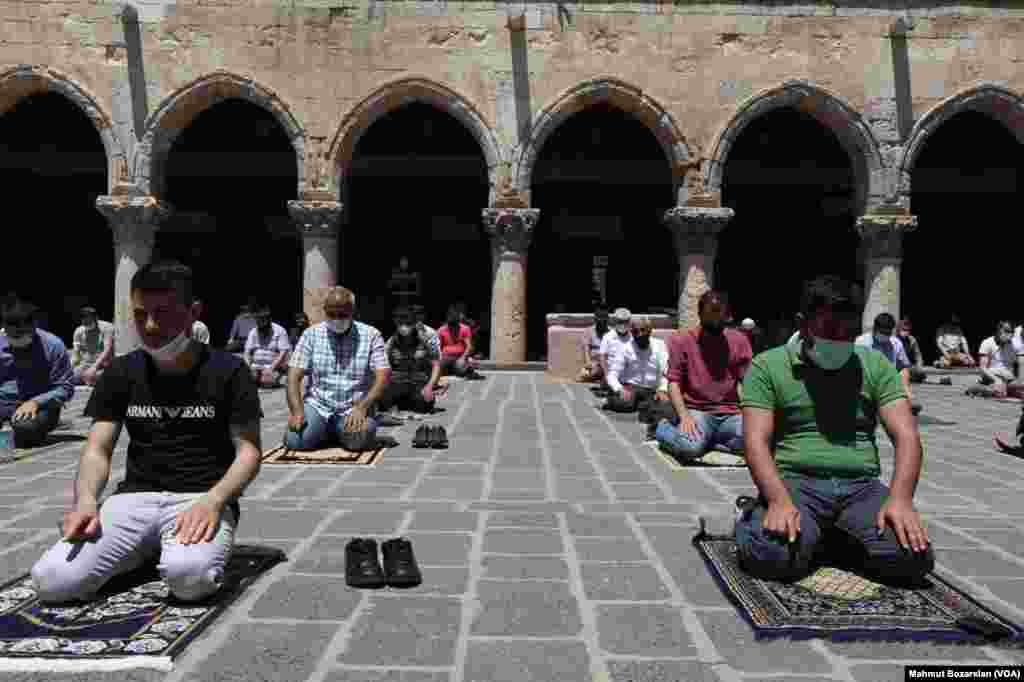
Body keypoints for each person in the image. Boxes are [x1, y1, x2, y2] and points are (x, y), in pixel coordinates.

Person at [30, 260, 263, 604]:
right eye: (140, 315)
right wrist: (86, 502)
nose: (151, 326)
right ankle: (145, 547)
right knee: (52, 582)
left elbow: (249, 451)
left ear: (193, 311)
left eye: (164, 313)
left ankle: (164, 549)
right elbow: (98, 448)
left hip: (200, 496)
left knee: (190, 580)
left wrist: (215, 501)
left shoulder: (228, 370)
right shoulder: (122, 371)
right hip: (133, 499)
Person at [735, 275, 933, 585]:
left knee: (912, 558)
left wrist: (901, 499)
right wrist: (777, 499)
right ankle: (749, 516)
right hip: (795, 483)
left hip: (861, 486)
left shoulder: (876, 366)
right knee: (773, 556)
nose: (840, 340)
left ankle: (829, 535)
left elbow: (907, 436)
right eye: (829, 330)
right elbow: (755, 440)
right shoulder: (767, 366)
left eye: (849, 332)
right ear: (803, 324)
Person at [285, 287, 390, 452]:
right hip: (318, 405)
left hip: (353, 406)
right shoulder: (310, 335)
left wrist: (362, 407)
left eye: (342, 315)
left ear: (352, 311)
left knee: (360, 439)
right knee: (295, 441)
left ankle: (333, 431)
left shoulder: (371, 335)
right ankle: (325, 429)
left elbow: (383, 377)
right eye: (331, 314)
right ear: (325, 311)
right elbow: (293, 377)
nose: (336, 319)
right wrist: (297, 410)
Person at [654, 291, 752, 460]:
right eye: (710, 314)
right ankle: (663, 427)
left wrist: (751, 414)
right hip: (696, 410)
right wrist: (684, 416)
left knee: (758, 442)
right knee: (689, 448)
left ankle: (709, 440)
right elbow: (674, 382)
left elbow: (749, 382)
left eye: (719, 314)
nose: (715, 320)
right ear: (700, 314)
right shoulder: (681, 340)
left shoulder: (739, 341)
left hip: (731, 413)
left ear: (727, 315)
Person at [0, 298, 74, 447]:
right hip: (4, 402)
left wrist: (35, 402)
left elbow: (66, 387)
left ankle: (40, 425)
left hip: (40, 407)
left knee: (25, 429)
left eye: (21, 335)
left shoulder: (53, 346)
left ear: (34, 326)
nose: (17, 339)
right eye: (13, 336)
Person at [603, 316, 675, 435]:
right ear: (632, 332)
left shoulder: (659, 345)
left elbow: (667, 371)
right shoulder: (626, 348)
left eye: (643, 330)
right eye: (635, 331)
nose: (639, 334)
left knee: (665, 406)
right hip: (632, 387)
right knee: (624, 401)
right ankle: (626, 402)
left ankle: (645, 408)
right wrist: (619, 389)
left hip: (653, 389)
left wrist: (662, 389)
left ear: (650, 331)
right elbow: (612, 374)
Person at [855, 313, 922, 416]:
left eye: (888, 333)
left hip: (889, 382)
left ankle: (908, 398)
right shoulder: (861, 342)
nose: (885, 336)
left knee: (903, 371)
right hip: (868, 382)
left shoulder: (896, 343)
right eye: (882, 332)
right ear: (875, 329)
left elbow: (903, 366)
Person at [378, 306, 440, 414]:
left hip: (418, 381)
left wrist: (430, 386)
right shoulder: (391, 341)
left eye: (407, 323)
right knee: (380, 399)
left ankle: (408, 401)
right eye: (400, 324)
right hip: (397, 382)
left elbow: (436, 365)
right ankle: (401, 401)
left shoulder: (426, 340)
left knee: (424, 404)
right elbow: (382, 364)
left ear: (414, 323)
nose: (403, 327)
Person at [244, 304, 292, 389]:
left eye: (263, 321)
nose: (260, 324)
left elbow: (283, 353)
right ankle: (258, 378)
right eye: (258, 321)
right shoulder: (253, 331)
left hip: (273, 366)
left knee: (267, 383)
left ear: (268, 320)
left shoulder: (280, 330)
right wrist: (248, 367)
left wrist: (271, 368)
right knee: (246, 381)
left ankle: (270, 378)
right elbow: (247, 352)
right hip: (256, 366)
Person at [70, 306, 115, 387]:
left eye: (89, 322)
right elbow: (76, 356)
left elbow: (107, 350)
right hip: (85, 365)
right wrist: (68, 368)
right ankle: (87, 378)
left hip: (103, 366)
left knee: (95, 377)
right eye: (84, 322)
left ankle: (91, 379)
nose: (87, 324)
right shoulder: (79, 331)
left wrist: (94, 367)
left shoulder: (107, 328)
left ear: (96, 318)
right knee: (67, 378)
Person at [977, 321, 1018, 396]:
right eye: (1006, 331)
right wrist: (996, 380)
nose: (1009, 335)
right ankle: (977, 389)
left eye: (1011, 332)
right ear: (999, 330)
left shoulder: (1013, 344)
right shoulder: (987, 343)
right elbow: (982, 368)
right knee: (999, 391)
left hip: (1008, 376)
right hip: (992, 375)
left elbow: (1016, 365)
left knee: (1017, 389)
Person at [438, 305, 479, 379]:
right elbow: (438, 347)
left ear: (457, 318)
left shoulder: (465, 329)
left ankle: (465, 366)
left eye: (454, 317)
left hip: (460, 357)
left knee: (461, 369)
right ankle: (452, 369)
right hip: (445, 357)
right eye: (450, 317)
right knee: (437, 369)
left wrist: (463, 358)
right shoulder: (441, 330)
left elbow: (469, 346)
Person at [598, 308, 634, 387]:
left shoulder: (633, 338)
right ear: (615, 321)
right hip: (612, 375)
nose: (623, 324)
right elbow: (602, 357)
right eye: (620, 321)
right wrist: (608, 375)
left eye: (626, 321)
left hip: (629, 377)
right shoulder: (608, 337)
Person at [579, 305, 610, 383]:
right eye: (600, 317)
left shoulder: (612, 333)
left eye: (604, 317)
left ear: (607, 318)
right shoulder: (589, 331)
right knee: (584, 374)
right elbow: (586, 348)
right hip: (594, 363)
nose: (602, 320)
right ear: (595, 318)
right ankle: (600, 377)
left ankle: (602, 377)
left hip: (607, 363)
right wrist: (588, 362)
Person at [896, 317, 927, 384]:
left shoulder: (911, 340)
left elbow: (918, 355)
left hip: (908, 366)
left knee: (921, 373)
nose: (906, 332)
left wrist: (919, 366)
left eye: (908, 330)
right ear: (899, 330)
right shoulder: (894, 340)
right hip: (897, 366)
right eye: (904, 330)